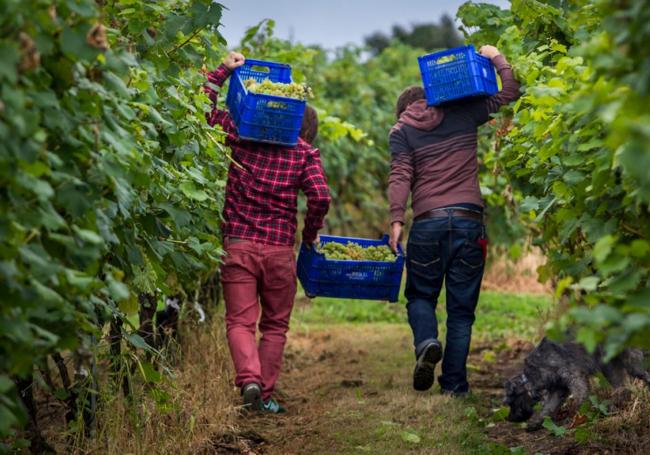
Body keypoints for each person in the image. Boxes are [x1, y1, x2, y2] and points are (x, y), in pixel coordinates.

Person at [388, 45, 521, 396]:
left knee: (420, 296)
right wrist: (495, 57)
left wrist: (396, 221)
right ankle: (454, 386)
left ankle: (427, 342)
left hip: (428, 223)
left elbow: (400, 175)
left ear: (403, 110)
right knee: (461, 310)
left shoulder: (401, 131)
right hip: (468, 220)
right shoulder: (462, 110)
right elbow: (510, 92)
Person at [204, 52, 331, 413]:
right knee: (275, 326)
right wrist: (309, 235)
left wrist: (223, 70)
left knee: (240, 321)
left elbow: (204, 109)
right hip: (278, 252)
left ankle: (250, 381)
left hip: (239, 245)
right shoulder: (303, 153)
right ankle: (266, 397)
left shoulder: (240, 136)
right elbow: (321, 196)